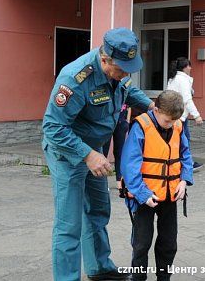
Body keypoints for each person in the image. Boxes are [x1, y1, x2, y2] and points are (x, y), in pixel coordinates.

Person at [42, 28, 154, 281]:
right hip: (69, 154)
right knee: (69, 224)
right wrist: (87, 154)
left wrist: (150, 104)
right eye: (122, 69)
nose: (127, 73)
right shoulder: (75, 78)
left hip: (97, 151)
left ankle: (99, 267)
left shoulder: (118, 69)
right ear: (105, 59)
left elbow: (125, 90)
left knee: (99, 210)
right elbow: (52, 127)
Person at [121, 90, 193, 281]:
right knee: (141, 243)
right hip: (144, 197)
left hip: (170, 194)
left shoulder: (177, 125)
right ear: (157, 109)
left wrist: (184, 181)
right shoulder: (140, 127)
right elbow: (129, 166)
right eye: (168, 120)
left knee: (169, 243)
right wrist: (143, 194)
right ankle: (137, 277)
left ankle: (164, 277)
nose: (171, 124)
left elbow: (185, 155)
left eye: (174, 121)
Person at [166, 57, 204, 170]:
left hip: (174, 114)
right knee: (184, 140)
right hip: (180, 116)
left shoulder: (174, 78)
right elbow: (187, 99)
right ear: (184, 67)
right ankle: (188, 164)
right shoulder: (182, 80)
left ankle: (181, 162)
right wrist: (197, 115)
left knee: (179, 139)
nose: (191, 68)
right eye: (189, 65)